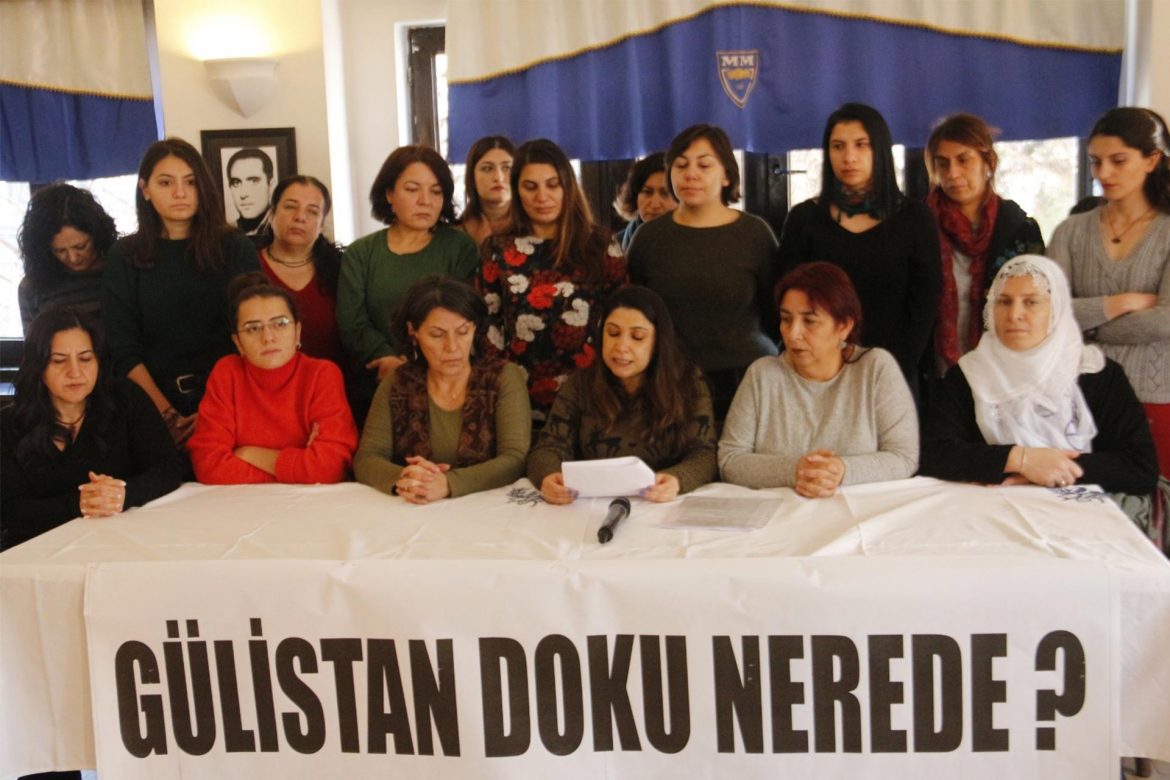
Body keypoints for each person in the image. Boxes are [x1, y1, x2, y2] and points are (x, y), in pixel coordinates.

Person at [920, 255, 1157, 499]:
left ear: (1056, 310)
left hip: (1081, 508)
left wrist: (1045, 472)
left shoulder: (1097, 373)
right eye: (1004, 301)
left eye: (1031, 302)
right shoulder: (969, 373)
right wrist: (1021, 459)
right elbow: (933, 453)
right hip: (992, 505)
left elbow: (1140, 468)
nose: (1014, 314)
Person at [102, 137, 260, 444]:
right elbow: (122, 349)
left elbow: (255, 332)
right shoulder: (124, 256)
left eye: (190, 182)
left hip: (232, 402)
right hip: (151, 407)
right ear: (145, 189)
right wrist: (166, 415)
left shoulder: (234, 247)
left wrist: (214, 410)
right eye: (165, 183)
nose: (180, 193)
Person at [777, 103, 941, 392]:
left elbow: (924, 308)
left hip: (893, 373)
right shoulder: (804, 219)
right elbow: (784, 301)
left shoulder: (915, 219)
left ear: (880, 150)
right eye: (838, 146)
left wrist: (890, 371)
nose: (849, 157)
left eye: (861, 145)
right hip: (817, 374)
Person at [719, 262, 919, 495]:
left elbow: (904, 456)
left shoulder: (875, 368)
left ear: (844, 326)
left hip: (861, 508)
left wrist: (841, 470)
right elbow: (729, 461)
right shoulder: (762, 374)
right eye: (786, 319)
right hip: (780, 510)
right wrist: (796, 470)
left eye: (810, 321)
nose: (793, 334)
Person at [1048, 107, 1170, 479]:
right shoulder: (1070, 231)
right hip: (1076, 392)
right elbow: (1048, 313)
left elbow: (1165, 321)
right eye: (1095, 161)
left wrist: (1088, 325)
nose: (1103, 173)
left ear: (1152, 160)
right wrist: (1119, 304)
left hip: (1154, 395)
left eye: (1118, 161)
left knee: (1149, 504)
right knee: (1071, 499)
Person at [627, 124, 779, 420]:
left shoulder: (755, 233)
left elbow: (775, 313)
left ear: (726, 175)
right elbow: (636, 313)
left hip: (748, 377)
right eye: (681, 165)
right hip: (671, 380)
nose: (691, 174)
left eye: (704, 165)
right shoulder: (649, 237)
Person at [1, 307, 184, 551]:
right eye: (59, 360)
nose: (75, 372)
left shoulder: (126, 399)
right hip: (38, 552)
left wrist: (123, 494)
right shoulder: (9, 424)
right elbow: (9, 511)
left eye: (86, 358)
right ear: (38, 367)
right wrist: (79, 503)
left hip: (123, 542)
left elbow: (168, 467)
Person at [476, 138, 627, 423]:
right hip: (519, 396)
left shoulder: (600, 244)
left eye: (552, 184)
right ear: (517, 191)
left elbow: (621, 320)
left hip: (592, 394)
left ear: (568, 186)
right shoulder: (497, 249)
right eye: (530, 186)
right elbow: (488, 329)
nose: (542, 196)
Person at [528, 285, 717, 504]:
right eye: (613, 333)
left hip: (663, 503)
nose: (621, 346)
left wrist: (678, 479)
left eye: (637, 337)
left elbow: (704, 454)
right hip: (594, 504)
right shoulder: (580, 384)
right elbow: (548, 448)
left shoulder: (688, 383)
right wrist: (548, 475)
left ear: (658, 343)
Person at [354, 275, 530, 503]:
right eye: (437, 335)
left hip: (488, 509)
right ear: (413, 331)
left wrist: (448, 483)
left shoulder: (502, 377)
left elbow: (515, 459)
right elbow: (367, 458)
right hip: (413, 510)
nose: (452, 347)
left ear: (475, 328)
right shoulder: (398, 382)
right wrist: (408, 478)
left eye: (463, 332)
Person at [337, 145, 479, 422]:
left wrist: (416, 366)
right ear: (389, 194)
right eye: (412, 189)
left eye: (436, 191)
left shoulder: (460, 247)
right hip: (378, 379)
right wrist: (389, 359)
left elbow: (463, 317)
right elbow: (352, 323)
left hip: (447, 381)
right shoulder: (361, 253)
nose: (425, 201)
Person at [188, 273, 357, 484]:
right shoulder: (227, 373)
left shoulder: (322, 374)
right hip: (243, 501)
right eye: (253, 328)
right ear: (238, 342)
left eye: (280, 324)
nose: (268, 337)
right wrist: (300, 467)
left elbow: (330, 468)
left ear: (297, 331)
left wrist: (248, 453)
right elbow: (208, 466)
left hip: (311, 502)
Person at [925, 113, 1045, 374]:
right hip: (934, 374)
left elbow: (1038, 305)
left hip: (1005, 369)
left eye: (963, 160)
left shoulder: (1020, 230)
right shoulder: (919, 227)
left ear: (988, 162)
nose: (953, 173)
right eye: (943, 163)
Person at [256, 175, 345, 364]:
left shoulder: (342, 269)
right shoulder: (248, 265)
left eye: (312, 211)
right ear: (271, 214)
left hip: (331, 378)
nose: (300, 217)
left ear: (321, 224)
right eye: (290, 207)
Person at [16, 183, 118, 331]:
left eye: (81, 246)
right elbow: (35, 343)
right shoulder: (32, 286)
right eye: (59, 251)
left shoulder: (121, 269)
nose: (73, 258)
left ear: (97, 235)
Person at [457, 135, 515, 247]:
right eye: (487, 168)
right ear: (472, 178)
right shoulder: (456, 235)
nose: (498, 177)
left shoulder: (535, 228)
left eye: (507, 168)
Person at [613, 152, 677, 251]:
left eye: (665, 194)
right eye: (647, 192)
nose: (655, 204)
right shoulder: (615, 246)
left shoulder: (697, 242)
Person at [226, 147, 276, 237]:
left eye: (254, 181)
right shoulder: (224, 234)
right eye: (236, 183)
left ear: (271, 185)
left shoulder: (284, 230)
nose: (244, 194)